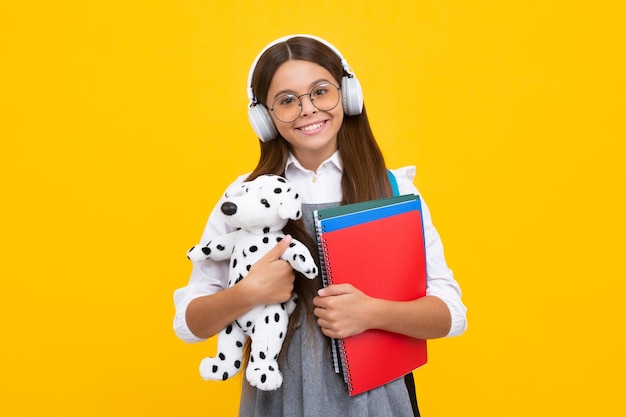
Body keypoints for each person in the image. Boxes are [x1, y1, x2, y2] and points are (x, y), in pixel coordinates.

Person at [173, 34, 467, 417]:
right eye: (287, 101)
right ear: (265, 117)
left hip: (375, 403)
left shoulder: (393, 189)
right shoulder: (243, 199)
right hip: (277, 400)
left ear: (347, 95)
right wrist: (246, 293)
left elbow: (450, 315)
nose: (308, 110)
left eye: (320, 92)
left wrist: (372, 312)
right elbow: (189, 325)